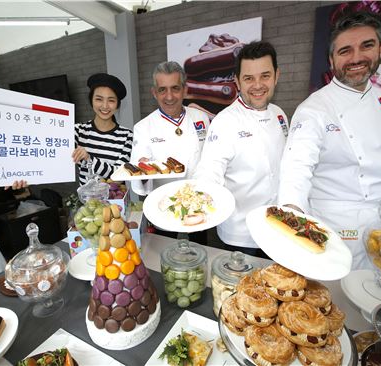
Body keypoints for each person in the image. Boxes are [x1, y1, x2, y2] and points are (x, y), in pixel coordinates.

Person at [277, 12, 381, 270]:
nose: (356, 58)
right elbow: (296, 167)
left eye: (367, 46)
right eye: (345, 51)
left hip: (380, 220)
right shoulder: (314, 109)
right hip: (334, 222)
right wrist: (290, 215)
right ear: (332, 60)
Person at [193, 41, 288, 255]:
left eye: (265, 75)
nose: (257, 85)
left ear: (276, 75)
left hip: (278, 225)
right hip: (241, 234)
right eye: (248, 78)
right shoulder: (225, 121)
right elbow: (210, 169)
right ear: (237, 81)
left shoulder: (280, 114)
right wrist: (198, 197)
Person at [130, 61, 210, 196]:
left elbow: (210, 158)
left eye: (175, 88)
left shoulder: (201, 118)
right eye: (162, 90)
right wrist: (143, 171)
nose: (169, 96)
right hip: (164, 202)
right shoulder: (142, 128)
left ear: (185, 90)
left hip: (200, 196)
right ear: (154, 93)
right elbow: (139, 182)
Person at [72, 73, 133, 185]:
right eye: (99, 99)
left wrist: (89, 159)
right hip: (87, 201)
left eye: (111, 100)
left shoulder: (127, 136)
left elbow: (118, 174)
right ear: (92, 101)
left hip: (116, 201)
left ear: (118, 105)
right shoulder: (78, 131)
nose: (105, 106)